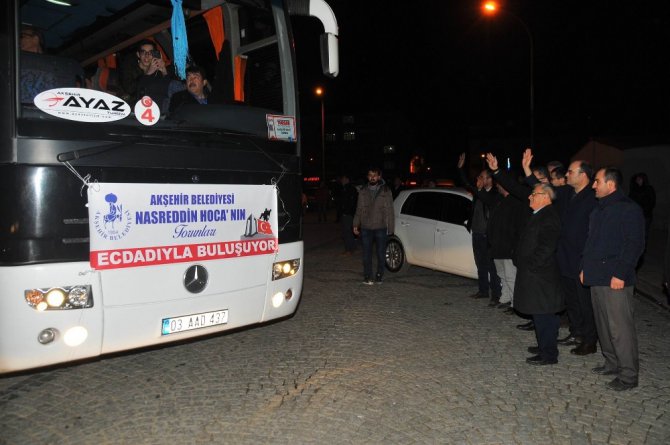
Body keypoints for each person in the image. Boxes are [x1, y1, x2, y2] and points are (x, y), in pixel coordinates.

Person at [488, 153, 564, 366]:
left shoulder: (549, 217)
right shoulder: (539, 213)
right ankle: (544, 347)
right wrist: (497, 171)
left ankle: (549, 354)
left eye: (534, 194)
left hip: (541, 277)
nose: (530, 196)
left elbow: (546, 248)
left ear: (546, 197)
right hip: (535, 275)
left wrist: (529, 266)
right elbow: (516, 188)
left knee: (545, 316)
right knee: (540, 316)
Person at [522, 150, 599, 355]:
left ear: (583, 175)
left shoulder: (593, 197)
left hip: (582, 258)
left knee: (585, 303)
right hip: (564, 257)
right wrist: (527, 170)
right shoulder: (567, 193)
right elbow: (542, 189)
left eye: (571, 172)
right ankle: (576, 332)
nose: (566, 175)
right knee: (571, 301)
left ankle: (590, 340)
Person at [581, 167, 645, 391]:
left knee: (620, 329)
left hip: (616, 278)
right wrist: (584, 269)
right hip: (596, 276)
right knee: (603, 324)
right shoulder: (599, 210)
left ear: (611, 184)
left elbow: (634, 243)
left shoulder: (628, 209)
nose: (593, 185)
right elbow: (590, 243)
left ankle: (628, 375)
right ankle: (611, 362)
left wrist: (621, 272)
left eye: (597, 181)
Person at [457, 155, 502, 303]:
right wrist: (461, 168)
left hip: (487, 236)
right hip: (476, 233)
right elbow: (467, 185)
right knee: (480, 264)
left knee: (491, 267)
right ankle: (483, 291)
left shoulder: (495, 195)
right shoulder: (478, 194)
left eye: (482, 177)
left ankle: (496, 295)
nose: (479, 179)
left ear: (489, 179)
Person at [353, 168, 395, 285]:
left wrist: (390, 228)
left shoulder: (386, 190)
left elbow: (390, 210)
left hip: (381, 227)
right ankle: (368, 276)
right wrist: (356, 224)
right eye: (370, 175)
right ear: (367, 176)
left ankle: (379, 275)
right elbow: (359, 209)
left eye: (375, 175)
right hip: (366, 227)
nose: (372, 177)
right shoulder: (363, 190)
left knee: (381, 254)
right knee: (366, 254)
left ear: (379, 177)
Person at [119, 39, 172, 109]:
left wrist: (164, 71)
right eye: (143, 52)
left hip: (154, 108)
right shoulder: (129, 68)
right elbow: (130, 89)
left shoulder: (157, 69)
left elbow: (169, 90)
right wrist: (148, 74)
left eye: (150, 52)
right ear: (138, 54)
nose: (147, 56)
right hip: (133, 106)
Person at [628, 172, 655, 262]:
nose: (638, 181)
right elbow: (630, 200)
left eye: (640, 179)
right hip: (635, 216)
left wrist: (643, 211)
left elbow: (651, 202)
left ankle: (642, 250)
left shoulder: (649, 189)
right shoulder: (634, 189)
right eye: (637, 179)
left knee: (644, 234)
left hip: (645, 216)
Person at [337, 174, 359, 255]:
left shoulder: (348, 189)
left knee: (347, 232)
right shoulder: (346, 188)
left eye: (343, 179)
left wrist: (346, 211)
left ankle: (349, 250)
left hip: (347, 214)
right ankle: (353, 248)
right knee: (349, 231)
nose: (341, 180)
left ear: (347, 179)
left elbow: (350, 202)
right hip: (348, 213)